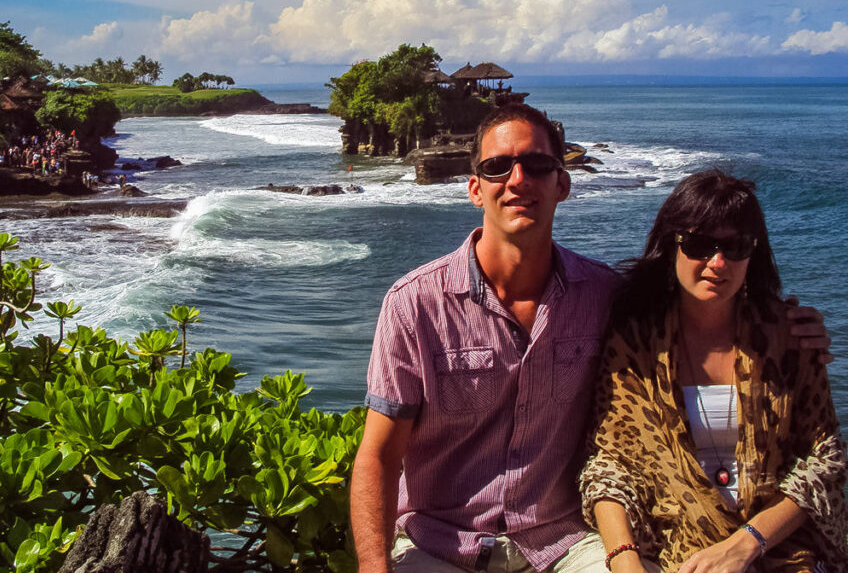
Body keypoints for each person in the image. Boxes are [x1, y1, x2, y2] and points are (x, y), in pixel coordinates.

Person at [350, 105, 831, 573]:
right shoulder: (415, 304)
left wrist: (789, 324)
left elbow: (696, 309)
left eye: (537, 165)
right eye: (498, 167)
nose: (518, 180)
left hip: (561, 544)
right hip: (440, 543)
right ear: (475, 188)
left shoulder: (604, 296)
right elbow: (379, 454)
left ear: (563, 183)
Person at [580, 171, 848, 572]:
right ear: (673, 245)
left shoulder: (787, 338)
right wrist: (625, 559)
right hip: (673, 548)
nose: (717, 262)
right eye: (700, 245)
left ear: (752, 254)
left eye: (735, 247)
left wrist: (746, 544)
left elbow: (824, 461)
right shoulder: (636, 344)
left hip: (781, 551)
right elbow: (610, 464)